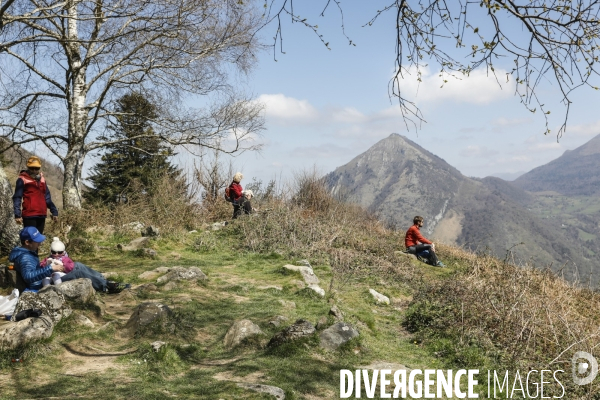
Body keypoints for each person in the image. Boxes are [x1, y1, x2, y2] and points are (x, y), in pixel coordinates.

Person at [9, 227, 128, 292]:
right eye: (37, 241)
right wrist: (50, 268)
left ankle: (102, 280)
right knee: (79, 273)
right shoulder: (25, 257)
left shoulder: (27, 252)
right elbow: (29, 277)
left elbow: (33, 269)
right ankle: (106, 287)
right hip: (44, 284)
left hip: (46, 277)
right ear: (27, 242)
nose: (40, 243)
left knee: (77, 265)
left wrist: (46, 265)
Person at [12, 156, 58, 234]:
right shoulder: (22, 179)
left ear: (39, 168)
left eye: (36, 168)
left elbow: (47, 197)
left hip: (42, 215)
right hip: (29, 215)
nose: (34, 170)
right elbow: (17, 197)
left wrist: (54, 211)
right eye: (32, 168)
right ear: (28, 167)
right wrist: (17, 214)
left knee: (37, 241)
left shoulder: (43, 180)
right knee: (29, 241)